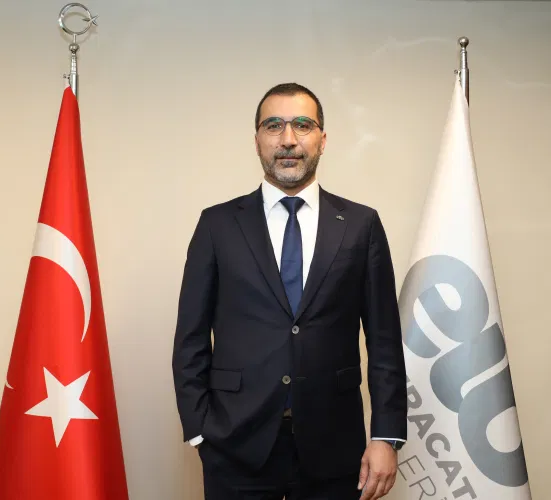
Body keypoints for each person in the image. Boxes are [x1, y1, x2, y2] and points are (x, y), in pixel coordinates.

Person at [172, 82, 408, 500]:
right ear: (257, 140)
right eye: (273, 126)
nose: (288, 139)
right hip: (234, 444)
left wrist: (386, 436)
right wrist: (199, 430)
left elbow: (385, 341)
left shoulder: (361, 225)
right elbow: (190, 338)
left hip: (336, 447)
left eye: (302, 125)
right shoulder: (217, 225)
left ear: (322, 139)